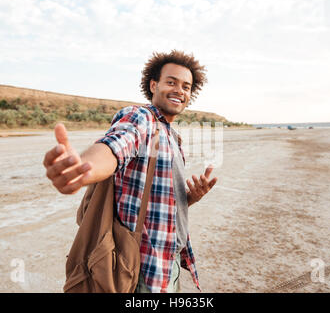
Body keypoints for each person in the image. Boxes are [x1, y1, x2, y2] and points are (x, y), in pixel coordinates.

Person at [42, 50, 218, 293]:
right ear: (153, 85)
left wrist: (191, 198)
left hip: (170, 262)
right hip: (141, 268)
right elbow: (115, 147)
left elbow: (160, 205)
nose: (180, 90)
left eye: (186, 86)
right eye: (171, 82)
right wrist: (83, 168)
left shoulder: (173, 137)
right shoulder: (141, 118)